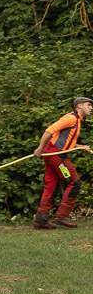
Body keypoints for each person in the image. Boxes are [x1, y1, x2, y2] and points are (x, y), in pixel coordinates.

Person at [33, 97, 90, 229]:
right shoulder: (70, 118)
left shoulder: (77, 120)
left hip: (54, 154)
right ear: (79, 106)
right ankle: (62, 216)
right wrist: (40, 148)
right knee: (74, 182)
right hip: (56, 155)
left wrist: (81, 146)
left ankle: (41, 219)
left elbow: (66, 141)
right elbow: (49, 131)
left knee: (51, 184)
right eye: (88, 105)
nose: (91, 108)